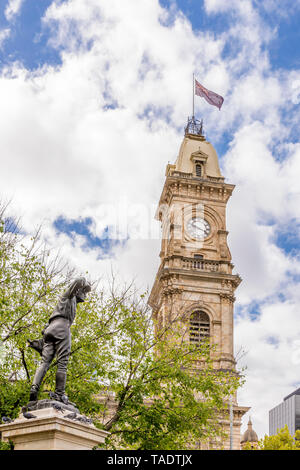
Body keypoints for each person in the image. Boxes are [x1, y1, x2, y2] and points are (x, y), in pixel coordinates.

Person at [28, 277, 91, 404]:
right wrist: (85, 282)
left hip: (50, 330)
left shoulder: (69, 301)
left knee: (44, 362)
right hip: (62, 328)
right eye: (84, 292)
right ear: (78, 291)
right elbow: (78, 280)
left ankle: (34, 388)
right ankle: (59, 394)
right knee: (63, 362)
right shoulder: (69, 296)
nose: (85, 295)